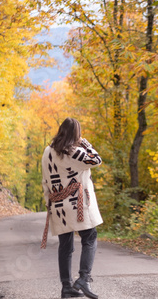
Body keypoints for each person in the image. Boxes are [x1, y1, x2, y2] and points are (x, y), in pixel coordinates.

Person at [41, 117, 103, 299]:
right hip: (77, 204)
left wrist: (49, 202)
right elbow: (97, 160)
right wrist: (85, 143)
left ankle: (66, 287)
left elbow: (45, 179)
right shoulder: (74, 152)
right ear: (76, 134)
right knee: (90, 237)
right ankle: (84, 278)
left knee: (65, 246)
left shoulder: (47, 152)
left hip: (58, 204)